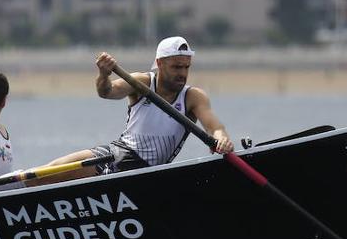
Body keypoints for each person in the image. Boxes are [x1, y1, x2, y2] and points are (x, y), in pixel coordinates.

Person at [41, 36, 233, 181]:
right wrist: (103, 74)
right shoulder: (142, 82)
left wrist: (222, 140)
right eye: (176, 67)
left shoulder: (193, 97)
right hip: (116, 156)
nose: (182, 73)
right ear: (159, 63)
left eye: (186, 67)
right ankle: (12, 185)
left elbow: (214, 127)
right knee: (52, 171)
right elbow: (106, 92)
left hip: (147, 172)